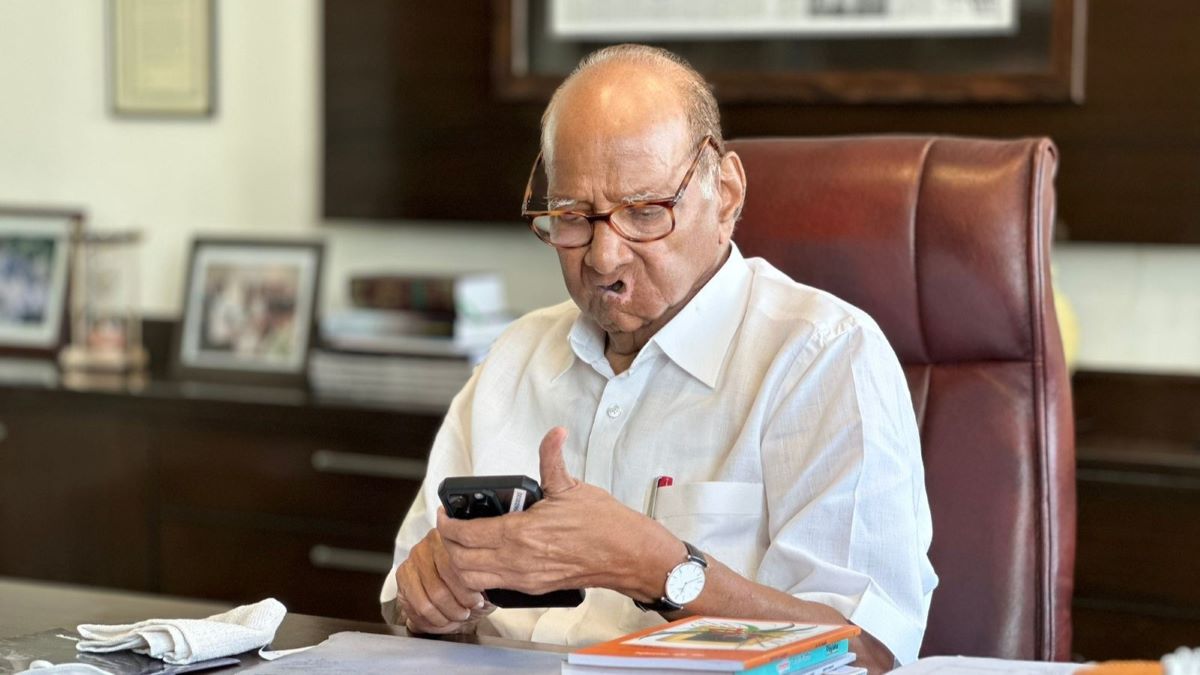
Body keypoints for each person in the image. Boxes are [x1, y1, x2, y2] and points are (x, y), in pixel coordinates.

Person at [381, 44, 937, 674]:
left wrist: (656, 568)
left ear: (725, 193)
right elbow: (406, 605)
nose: (604, 258)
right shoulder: (515, 356)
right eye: (572, 217)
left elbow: (868, 650)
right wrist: (431, 600)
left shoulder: (824, 356)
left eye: (645, 213)